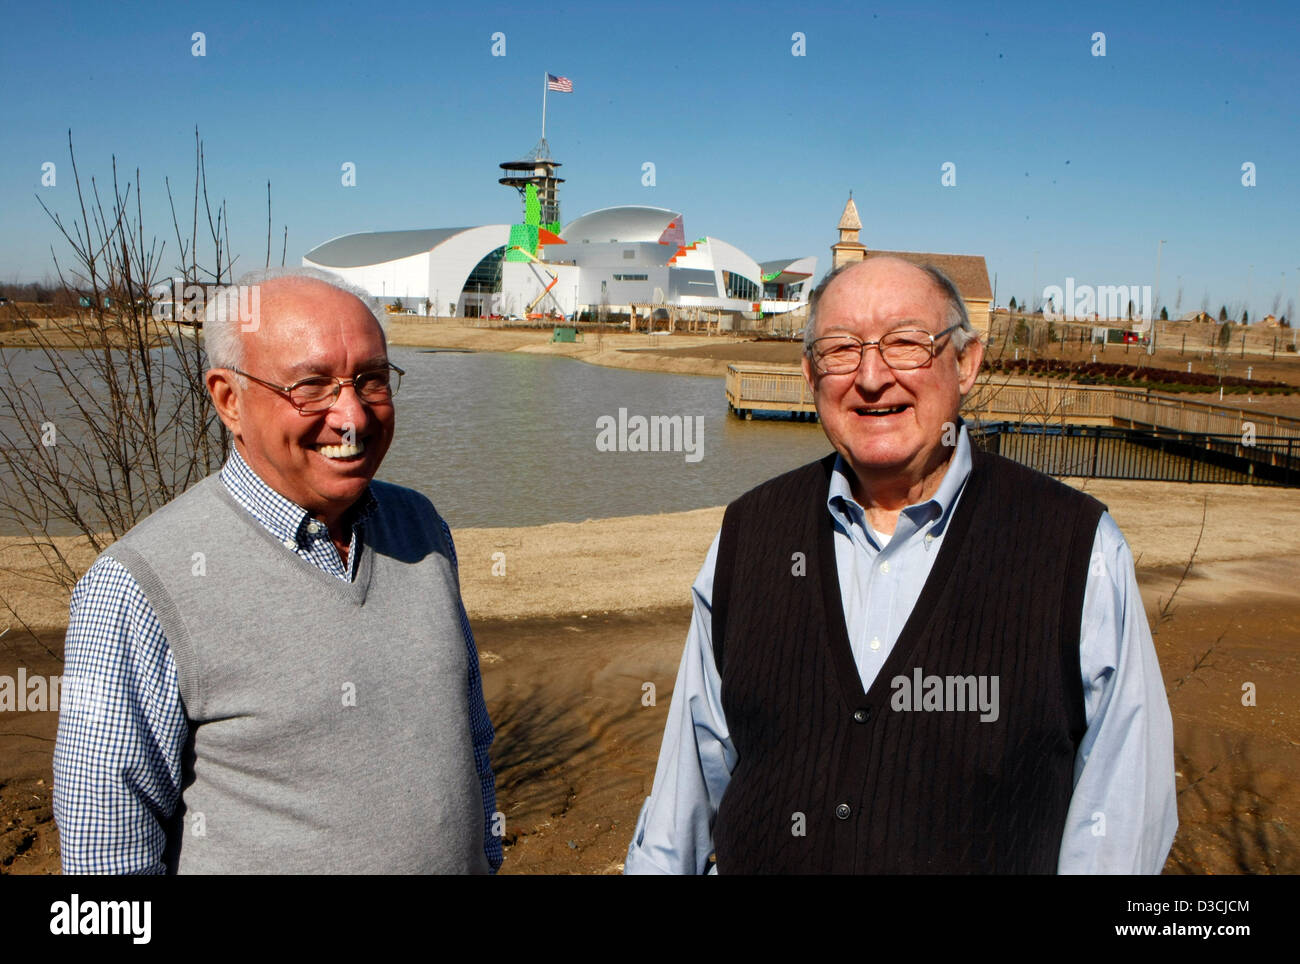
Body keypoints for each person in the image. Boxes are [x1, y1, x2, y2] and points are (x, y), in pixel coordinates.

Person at [625, 257, 1177, 874]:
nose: (870, 377)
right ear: (811, 374)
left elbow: (1121, 826)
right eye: (840, 350)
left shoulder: (1077, 549)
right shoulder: (748, 535)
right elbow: (685, 796)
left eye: (905, 345)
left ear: (966, 363)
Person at [53, 269, 499, 873]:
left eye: (371, 379)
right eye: (312, 385)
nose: (353, 418)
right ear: (228, 399)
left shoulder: (422, 529)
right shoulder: (136, 586)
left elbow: (469, 737)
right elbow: (105, 848)